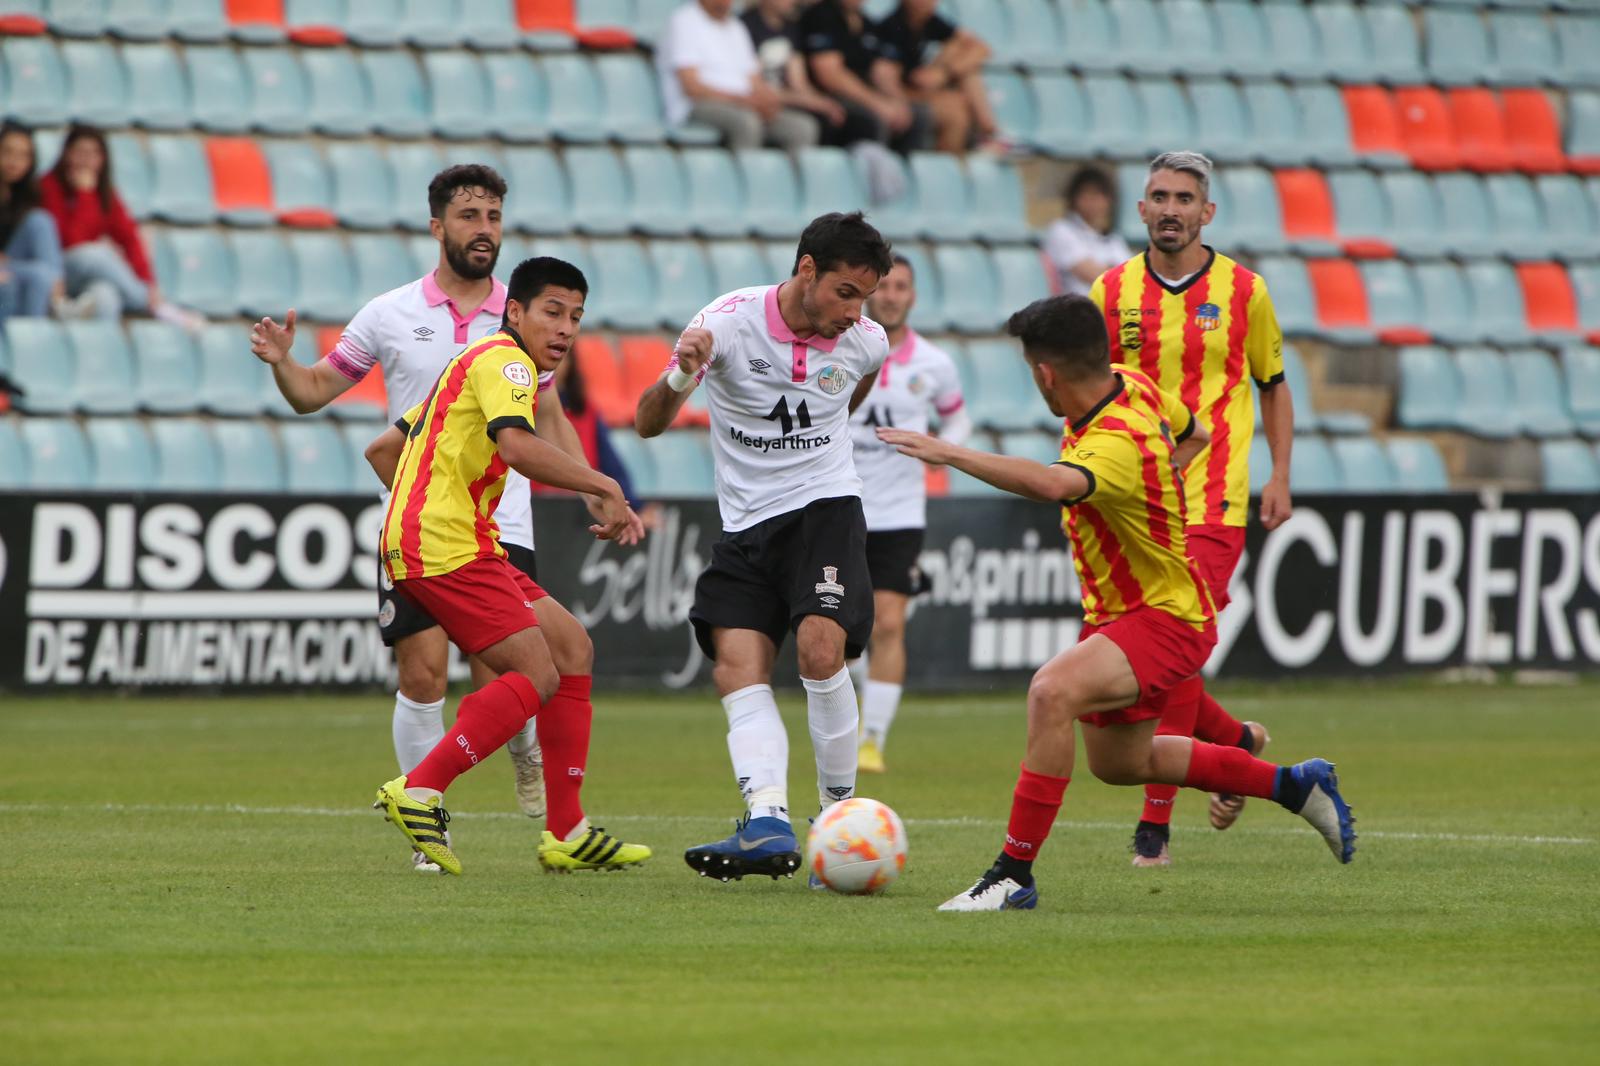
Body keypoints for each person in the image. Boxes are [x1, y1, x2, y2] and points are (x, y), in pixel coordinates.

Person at [877, 295, 1354, 912]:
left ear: (1045, 373)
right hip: (1132, 612)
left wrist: (949, 452)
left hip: (1166, 617)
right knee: (1122, 764)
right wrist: (1162, 483)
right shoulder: (1132, 383)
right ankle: (1294, 784)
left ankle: (1011, 876)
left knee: (1051, 693)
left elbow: (1053, 484)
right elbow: (1196, 433)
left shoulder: (1116, 441)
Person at [251, 165, 625, 872]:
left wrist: (588, 491)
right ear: (438, 227)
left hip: (502, 525)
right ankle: (432, 827)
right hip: (436, 532)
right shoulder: (391, 313)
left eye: (493, 216)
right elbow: (317, 395)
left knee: (525, 668)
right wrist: (283, 364)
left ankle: (533, 782)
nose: (484, 228)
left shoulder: (525, 314)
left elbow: (548, 417)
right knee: (426, 675)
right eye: (469, 215)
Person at [367, 256, 651, 876]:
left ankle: (567, 830)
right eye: (552, 311)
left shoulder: (470, 368)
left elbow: (383, 447)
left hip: (457, 538)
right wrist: (602, 481)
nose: (566, 328)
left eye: (576, 316)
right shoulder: (507, 362)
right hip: (446, 545)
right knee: (535, 673)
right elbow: (517, 446)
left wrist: (418, 505)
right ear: (514, 311)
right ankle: (418, 789)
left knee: (571, 648)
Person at [635, 211, 892, 882]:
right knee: (736, 665)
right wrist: (682, 376)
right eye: (845, 292)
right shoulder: (724, 323)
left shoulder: (867, 342)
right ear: (806, 270)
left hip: (824, 508)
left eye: (863, 297)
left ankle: (837, 820)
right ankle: (769, 818)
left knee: (819, 645)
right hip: (746, 523)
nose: (854, 312)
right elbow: (647, 424)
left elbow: (847, 401)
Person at [1088, 151, 1294, 867]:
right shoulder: (1108, 293)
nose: (1170, 207)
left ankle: (1155, 826)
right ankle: (1234, 742)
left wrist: (1280, 476)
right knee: (1153, 656)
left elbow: (1272, 383)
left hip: (1215, 498)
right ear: (1140, 210)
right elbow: (1093, 391)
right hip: (1139, 503)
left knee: (1171, 649)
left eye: (1184, 197)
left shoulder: (1246, 291)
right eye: (1157, 196)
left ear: (1207, 213)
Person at [847, 255, 968, 773]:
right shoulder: (843, 347)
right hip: (839, 507)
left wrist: (941, 454)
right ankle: (854, 711)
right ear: (871, 291)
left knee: (889, 625)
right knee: (841, 630)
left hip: (898, 514)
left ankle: (872, 738)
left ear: (913, 296)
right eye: (886, 285)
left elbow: (958, 420)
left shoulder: (934, 364)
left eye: (902, 286)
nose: (892, 294)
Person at [38, 125, 193, 326]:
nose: (86, 160)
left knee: (106, 296)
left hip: (86, 278)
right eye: (80, 152)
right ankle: (151, 304)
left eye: (93, 154)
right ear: (66, 154)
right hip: (58, 273)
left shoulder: (105, 195)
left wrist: (149, 281)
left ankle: (99, 353)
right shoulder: (48, 187)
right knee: (95, 254)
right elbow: (70, 242)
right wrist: (84, 196)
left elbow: (129, 238)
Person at [657, 0, 819, 151]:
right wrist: (743, 102)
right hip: (696, 106)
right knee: (747, 123)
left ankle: (784, 181)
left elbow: (754, 79)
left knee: (801, 127)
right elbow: (692, 87)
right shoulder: (683, 21)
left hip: (743, 104)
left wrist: (767, 102)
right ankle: (748, 180)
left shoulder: (735, 26)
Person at [800, 0, 931, 153]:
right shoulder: (821, 16)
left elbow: (882, 71)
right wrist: (876, 103)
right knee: (873, 120)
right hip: (834, 96)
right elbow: (829, 76)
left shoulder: (867, 23)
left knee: (918, 114)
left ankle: (910, 171)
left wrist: (899, 101)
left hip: (866, 94)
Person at [874, 0, 1001, 154]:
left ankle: (988, 132)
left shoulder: (931, 22)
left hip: (925, 87)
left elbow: (982, 48)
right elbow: (888, 78)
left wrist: (944, 73)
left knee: (963, 60)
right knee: (955, 107)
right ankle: (983, 136)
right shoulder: (892, 27)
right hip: (903, 94)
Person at [743, 0, 851, 145]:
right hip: (761, 100)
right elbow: (757, 86)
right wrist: (809, 102)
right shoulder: (747, 25)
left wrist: (822, 103)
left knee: (834, 117)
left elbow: (799, 83)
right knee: (805, 126)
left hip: (785, 99)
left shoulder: (791, 27)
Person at [0, 122, 63, 325]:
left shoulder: (29, 194)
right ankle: (59, 303)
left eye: (23, 155)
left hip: (11, 265)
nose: (14, 161)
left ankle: (57, 297)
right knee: (37, 276)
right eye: (7, 152)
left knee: (40, 222)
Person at [1044, 166, 1132, 298]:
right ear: (1074, 198)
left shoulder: (1113, 239)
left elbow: (1131, 277)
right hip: (1073, 311)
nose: (1092, 201)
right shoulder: (1061, 230)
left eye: (1098, 195)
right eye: (1086, 194)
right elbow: (1096, 276)